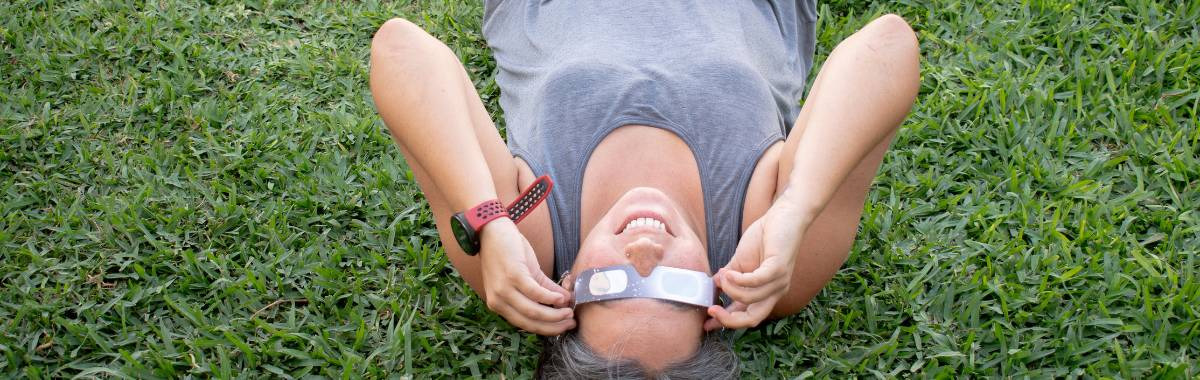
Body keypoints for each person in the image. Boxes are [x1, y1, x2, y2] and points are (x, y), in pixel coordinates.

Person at [368, 0, 919, 377]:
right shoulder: (763, 260)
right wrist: (796, 207)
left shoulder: (525, 251)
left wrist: (490, 224)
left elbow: (401, 50)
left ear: (566, 292)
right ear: (711, 306)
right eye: (675, 286)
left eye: (613, 281)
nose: (646, 248)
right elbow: (888, 44)